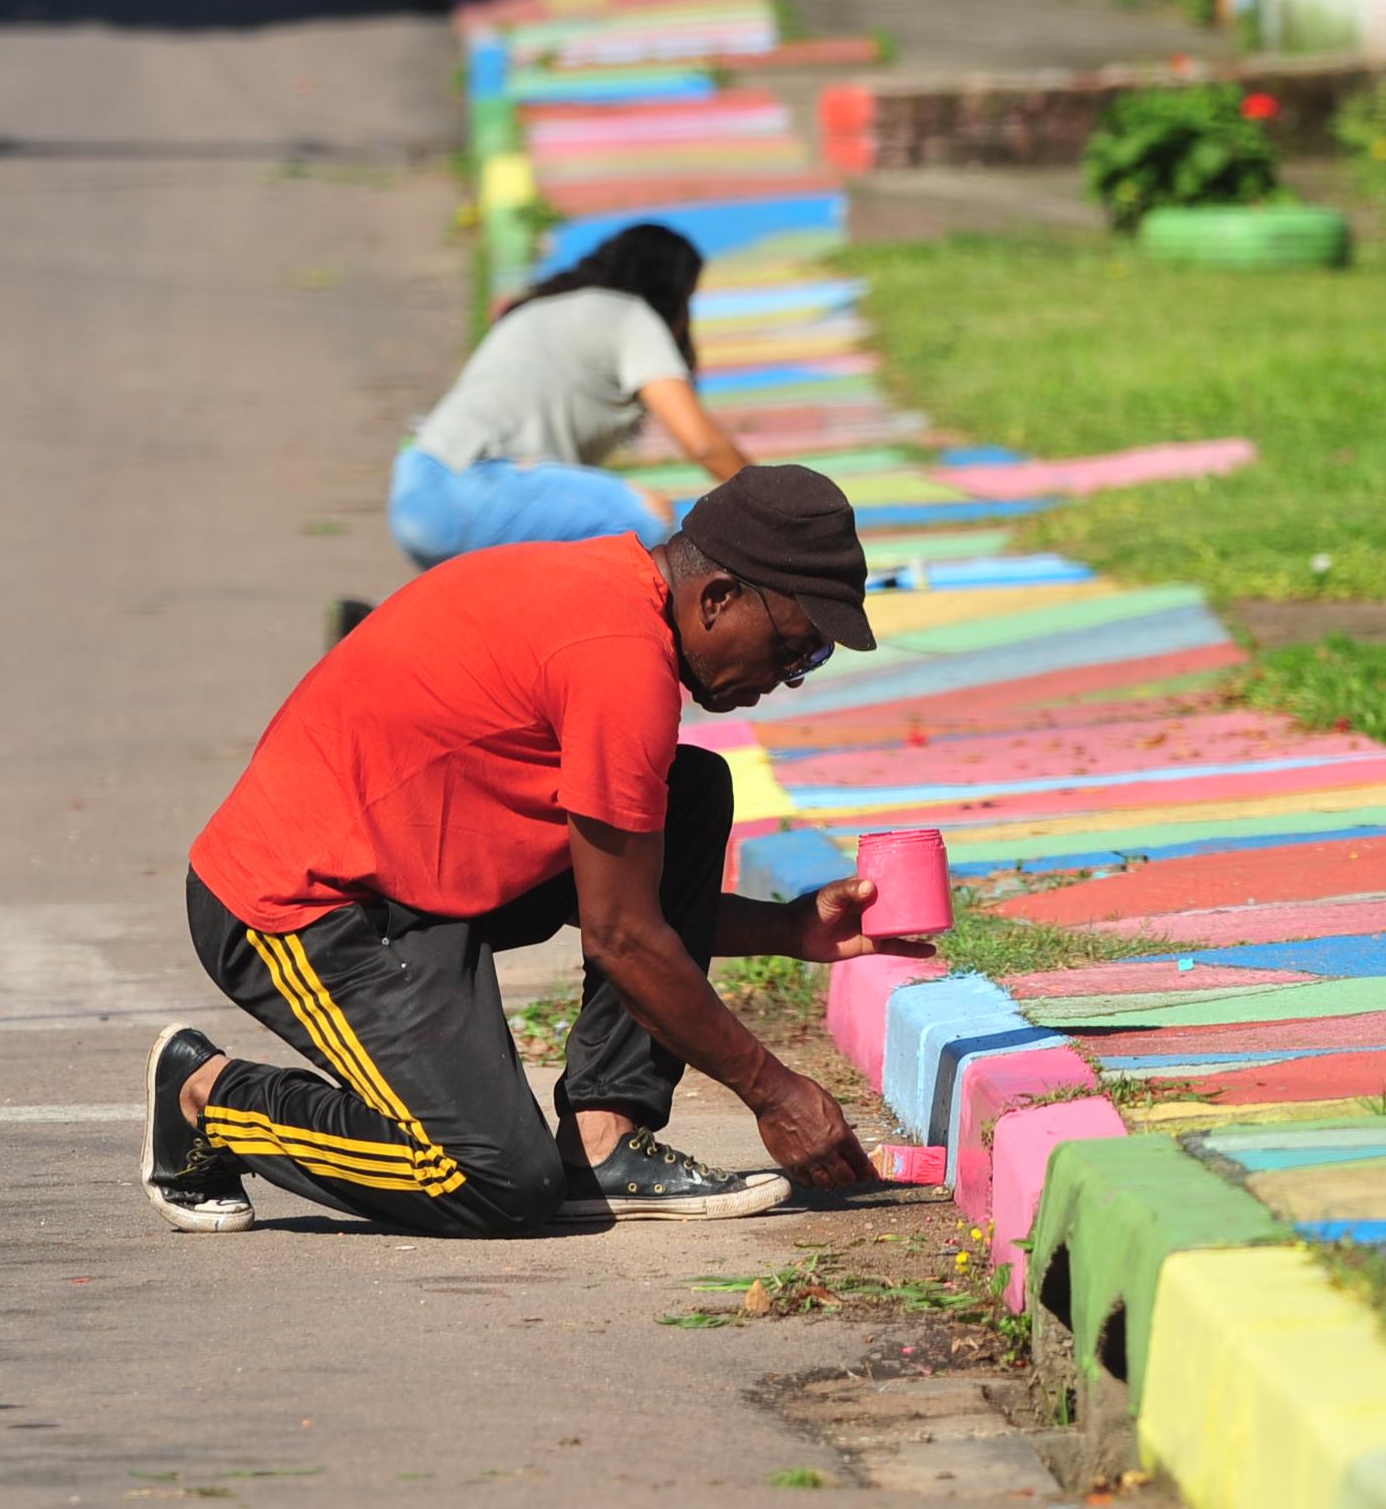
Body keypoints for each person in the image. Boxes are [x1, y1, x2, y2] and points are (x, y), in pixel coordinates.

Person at [142, 464, 926, 1237]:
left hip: (410, 877)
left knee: (688, 793)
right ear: (717, 598)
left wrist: (788, 932)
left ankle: (602, 1144)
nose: (789, 677)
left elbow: (625, 907)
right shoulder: (620, 662)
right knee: (495, 1178)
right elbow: (622, 936)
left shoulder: (616, 590)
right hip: (297, 903)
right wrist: (771, 1090)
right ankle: (212, 1101)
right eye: (793, 647)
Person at [385, 223, 756, 570]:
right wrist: (778, 506)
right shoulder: (632, 317)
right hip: (472, 486)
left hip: (415, 487)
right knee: (644, 519)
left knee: (555, 567)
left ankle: (380, 626)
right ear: (670, 291)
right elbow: (703, 445)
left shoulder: (542, 310)